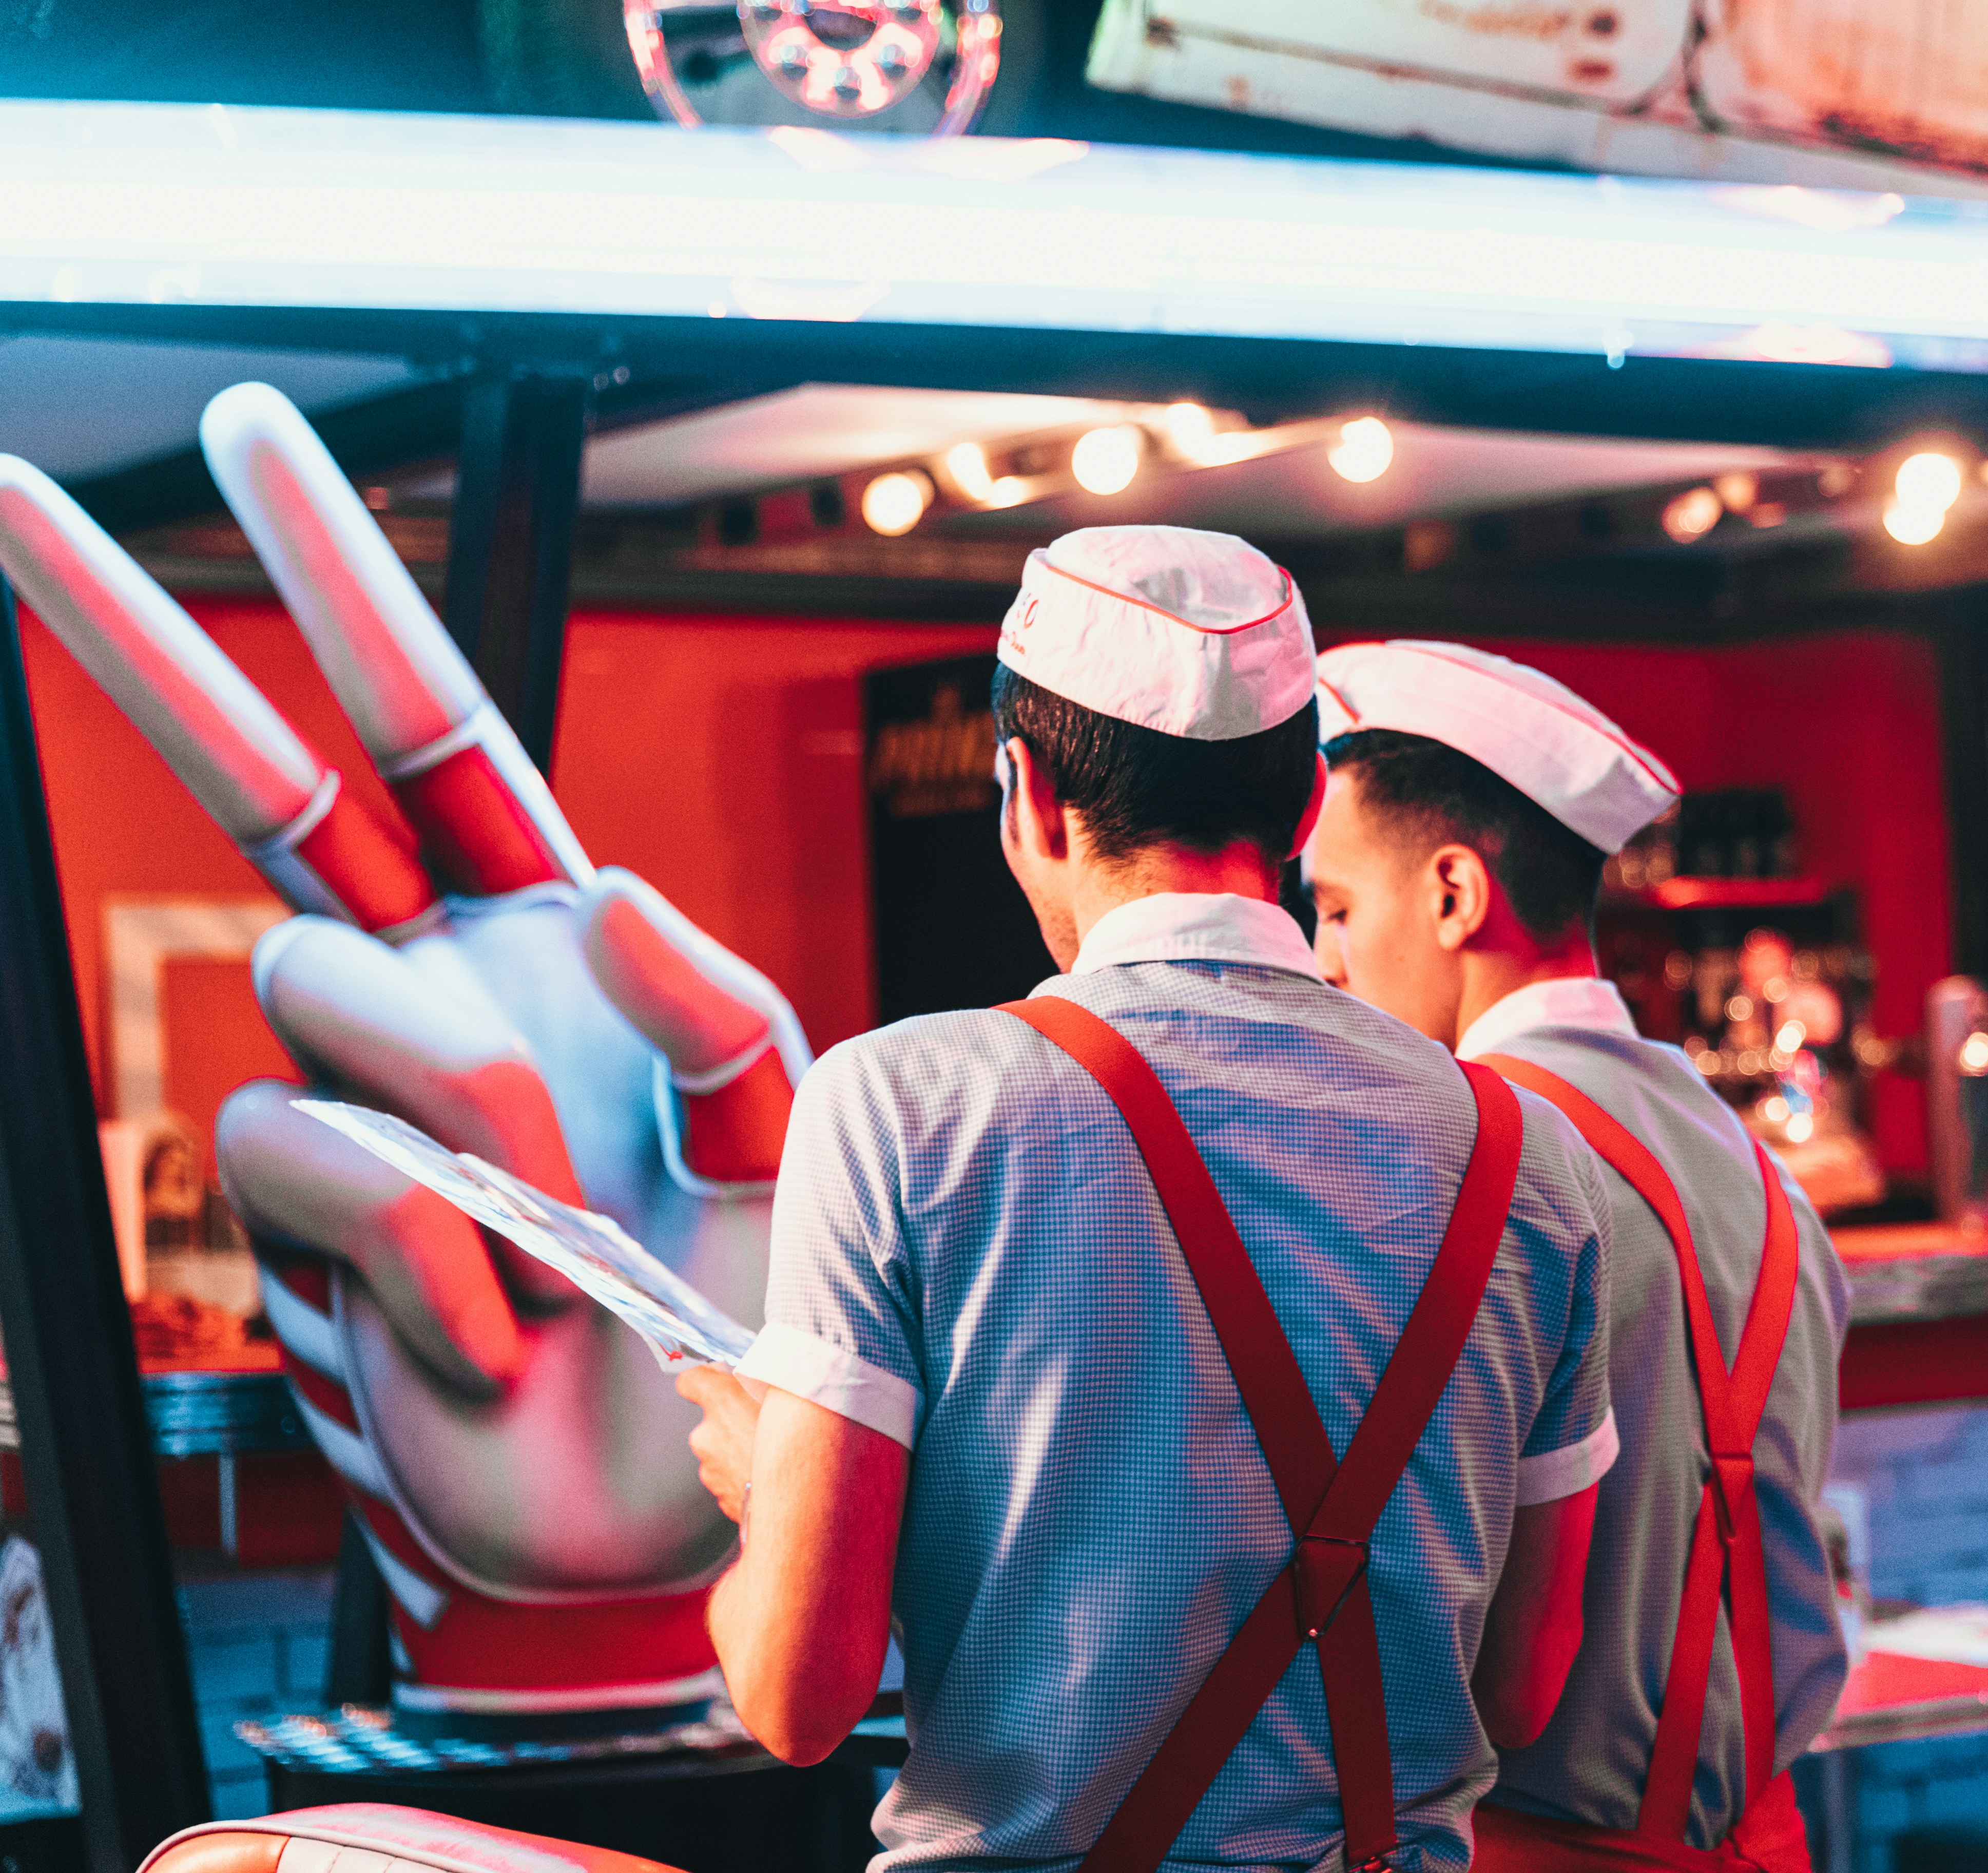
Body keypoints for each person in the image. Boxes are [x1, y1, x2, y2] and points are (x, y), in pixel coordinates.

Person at [678, 529, 1622, 1873]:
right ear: (1305, 813)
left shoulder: (896, 1104)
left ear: (1030, 791)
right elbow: (1523, 1690)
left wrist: (772, 1500)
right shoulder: (1524, 1145)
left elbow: (797, 1699)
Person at [1305, 641, 1851, 1873]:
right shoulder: (1759, 1169)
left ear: (1453, 894)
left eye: (1338, 908)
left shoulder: (1452, 1164)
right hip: (1752, 1841)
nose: (1324, 960)